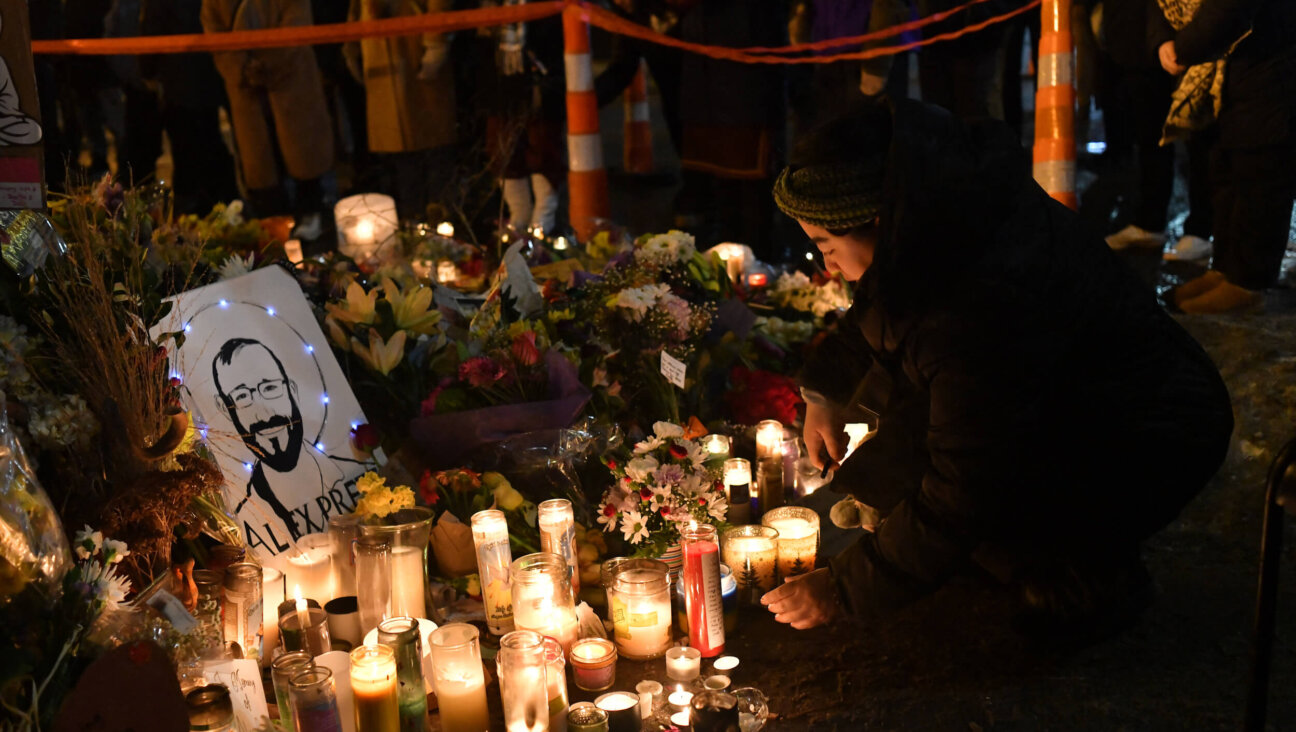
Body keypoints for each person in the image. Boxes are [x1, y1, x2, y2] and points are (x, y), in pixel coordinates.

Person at [760, 99, 1233, 637]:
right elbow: (884, 305)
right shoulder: (940, 215)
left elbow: (963, 484)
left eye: (826, 246)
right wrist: (823, 392)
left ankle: (1080, 575)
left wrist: (842, 589)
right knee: (909, 456)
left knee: (983, 508)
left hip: (1148, 433)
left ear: (878, 221)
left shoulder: (979, 300)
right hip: (1075, 395)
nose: (826, 267)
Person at [1151, 0, 1296, 313]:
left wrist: (1184, 46)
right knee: (1228, 174)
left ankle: (1248, 283)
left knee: (1259, 176)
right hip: (1223, 74)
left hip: (1267, 69)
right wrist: (1163, 39)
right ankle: (1225, 268)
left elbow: (1227, 9)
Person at [211, 338, 356, 544]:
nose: (264, 413)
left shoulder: (360, 477)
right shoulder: (243, 527)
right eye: (242, 396)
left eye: (270, 388)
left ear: (292, 390)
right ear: (225, 408)